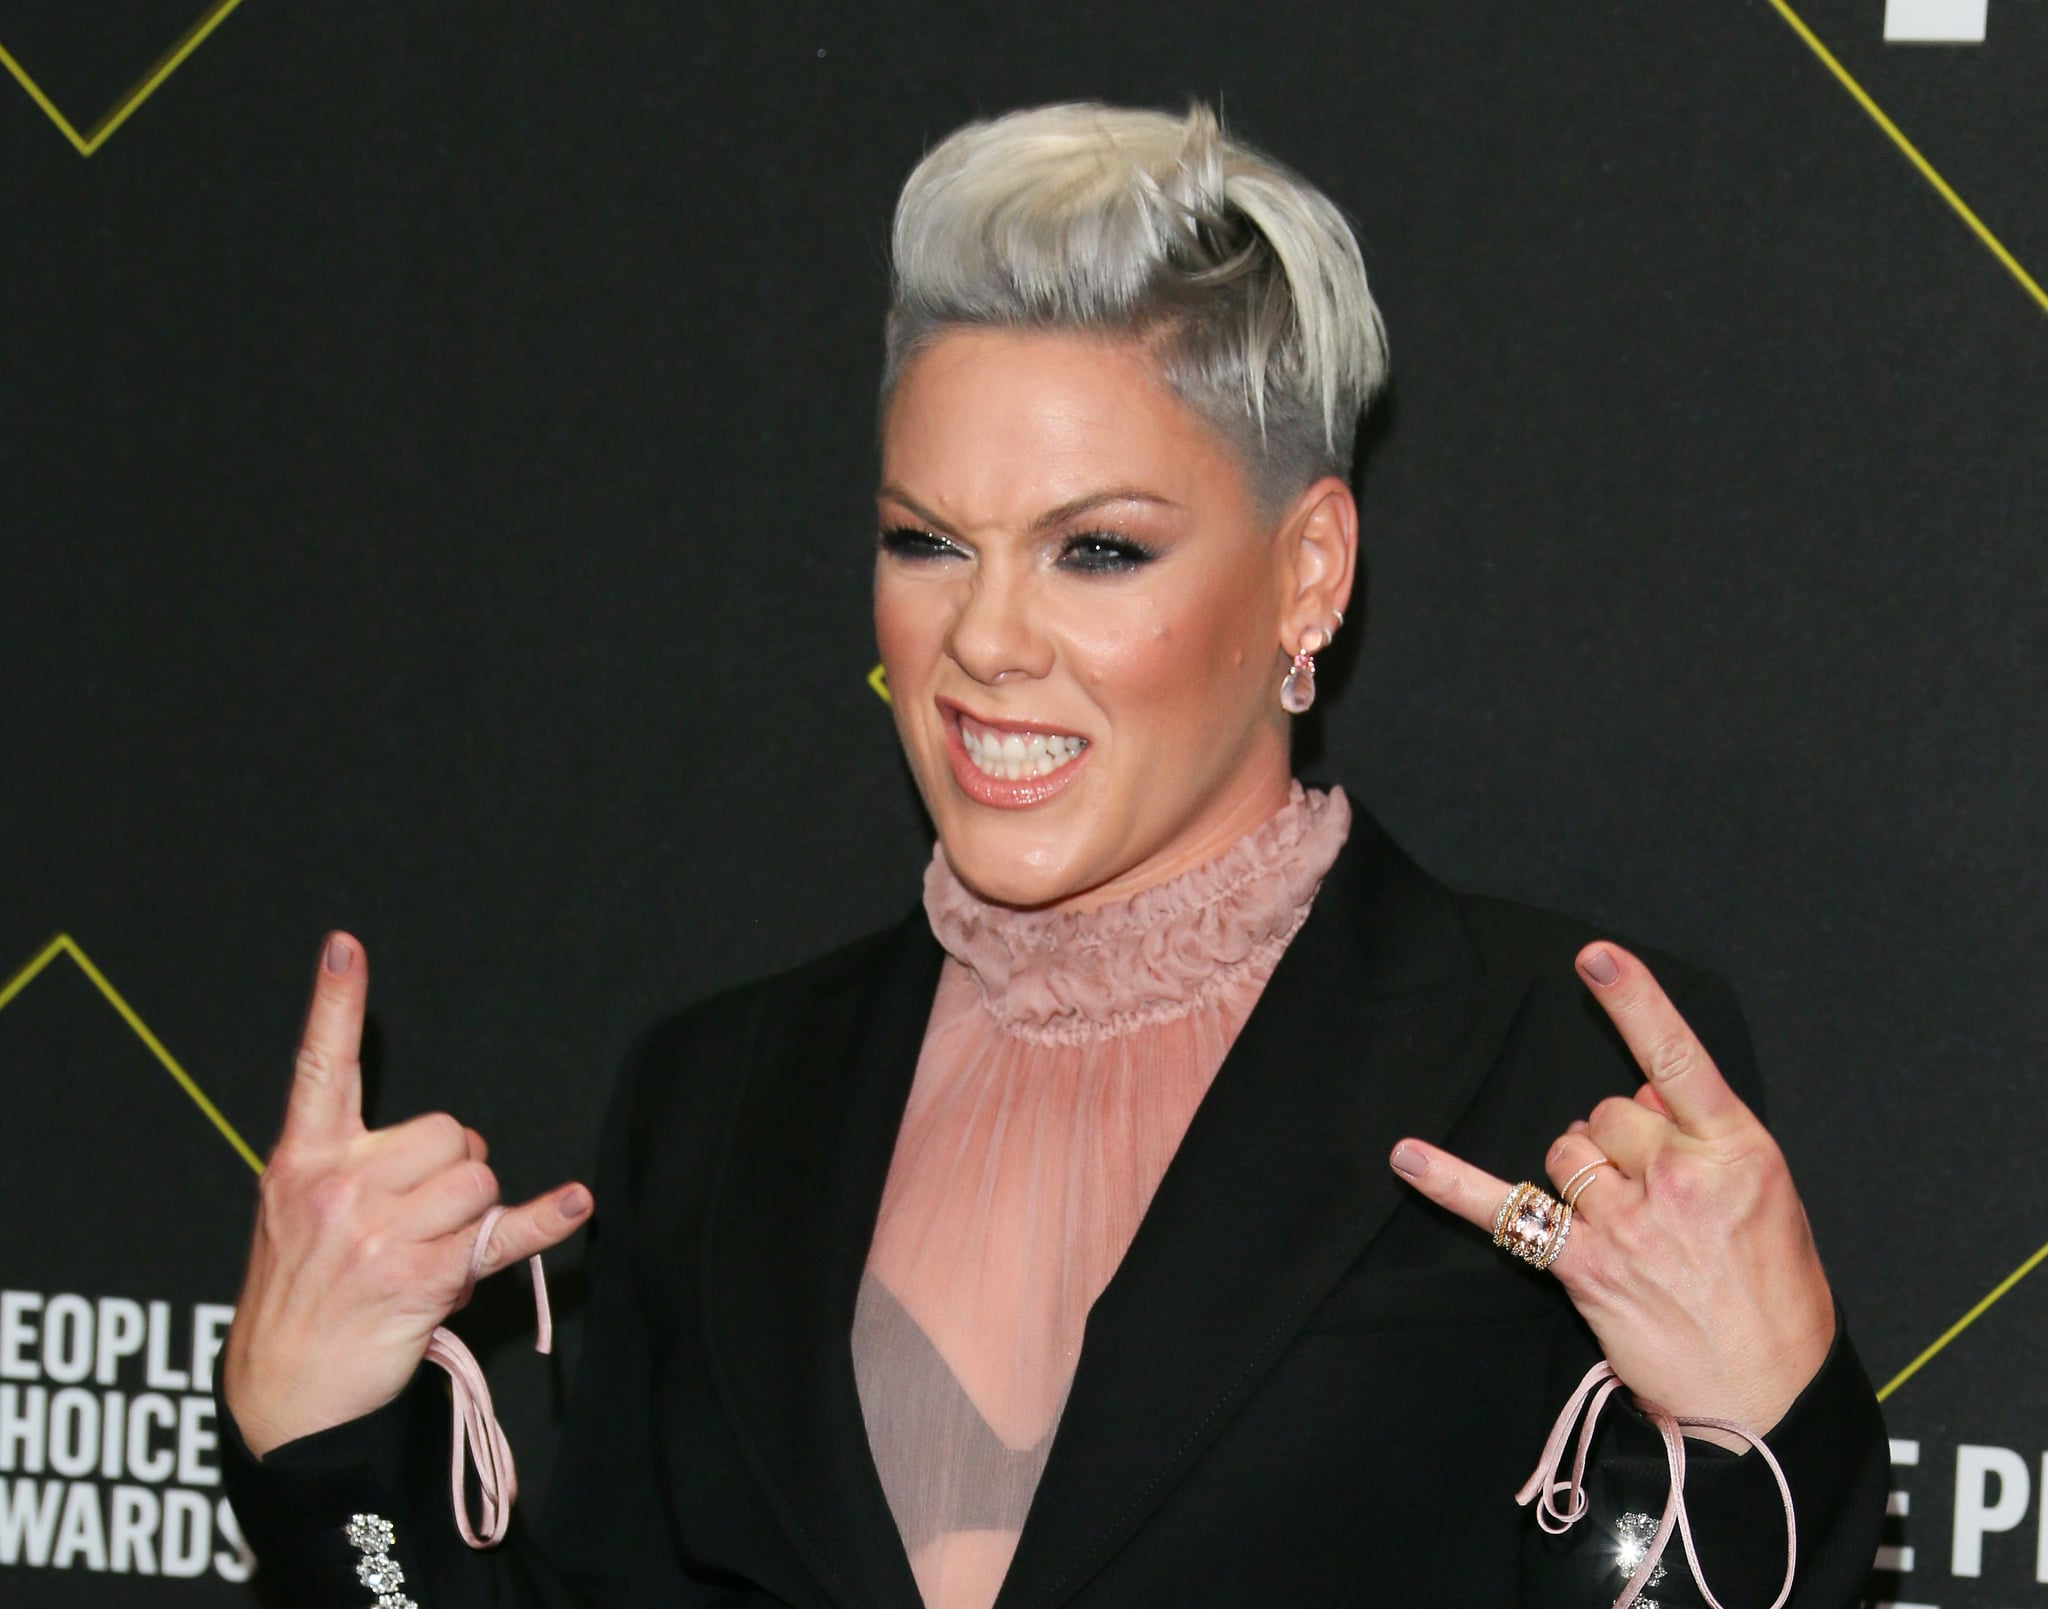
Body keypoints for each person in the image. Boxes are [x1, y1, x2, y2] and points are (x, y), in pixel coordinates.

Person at [216, 102, 1887, 1607]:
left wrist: (1764, 1431)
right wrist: (320, 1440)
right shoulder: (719, 1100)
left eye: (1096, 548)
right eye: (924, 540)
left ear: (1309, 573)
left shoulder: (1551, 1067)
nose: (985, 638)